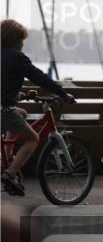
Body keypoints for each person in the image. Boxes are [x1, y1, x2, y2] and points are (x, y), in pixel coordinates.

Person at [1, 19, 74, 196]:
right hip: (4, 111)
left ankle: (7, 159)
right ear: (16, 40)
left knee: (23, 114)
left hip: (4, 107)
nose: (23, 44)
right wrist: (63, 94)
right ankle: (10, 174)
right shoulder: (18, 58)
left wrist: (19, 95)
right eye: (22, 40)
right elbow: (40, 78)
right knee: (33, 138)